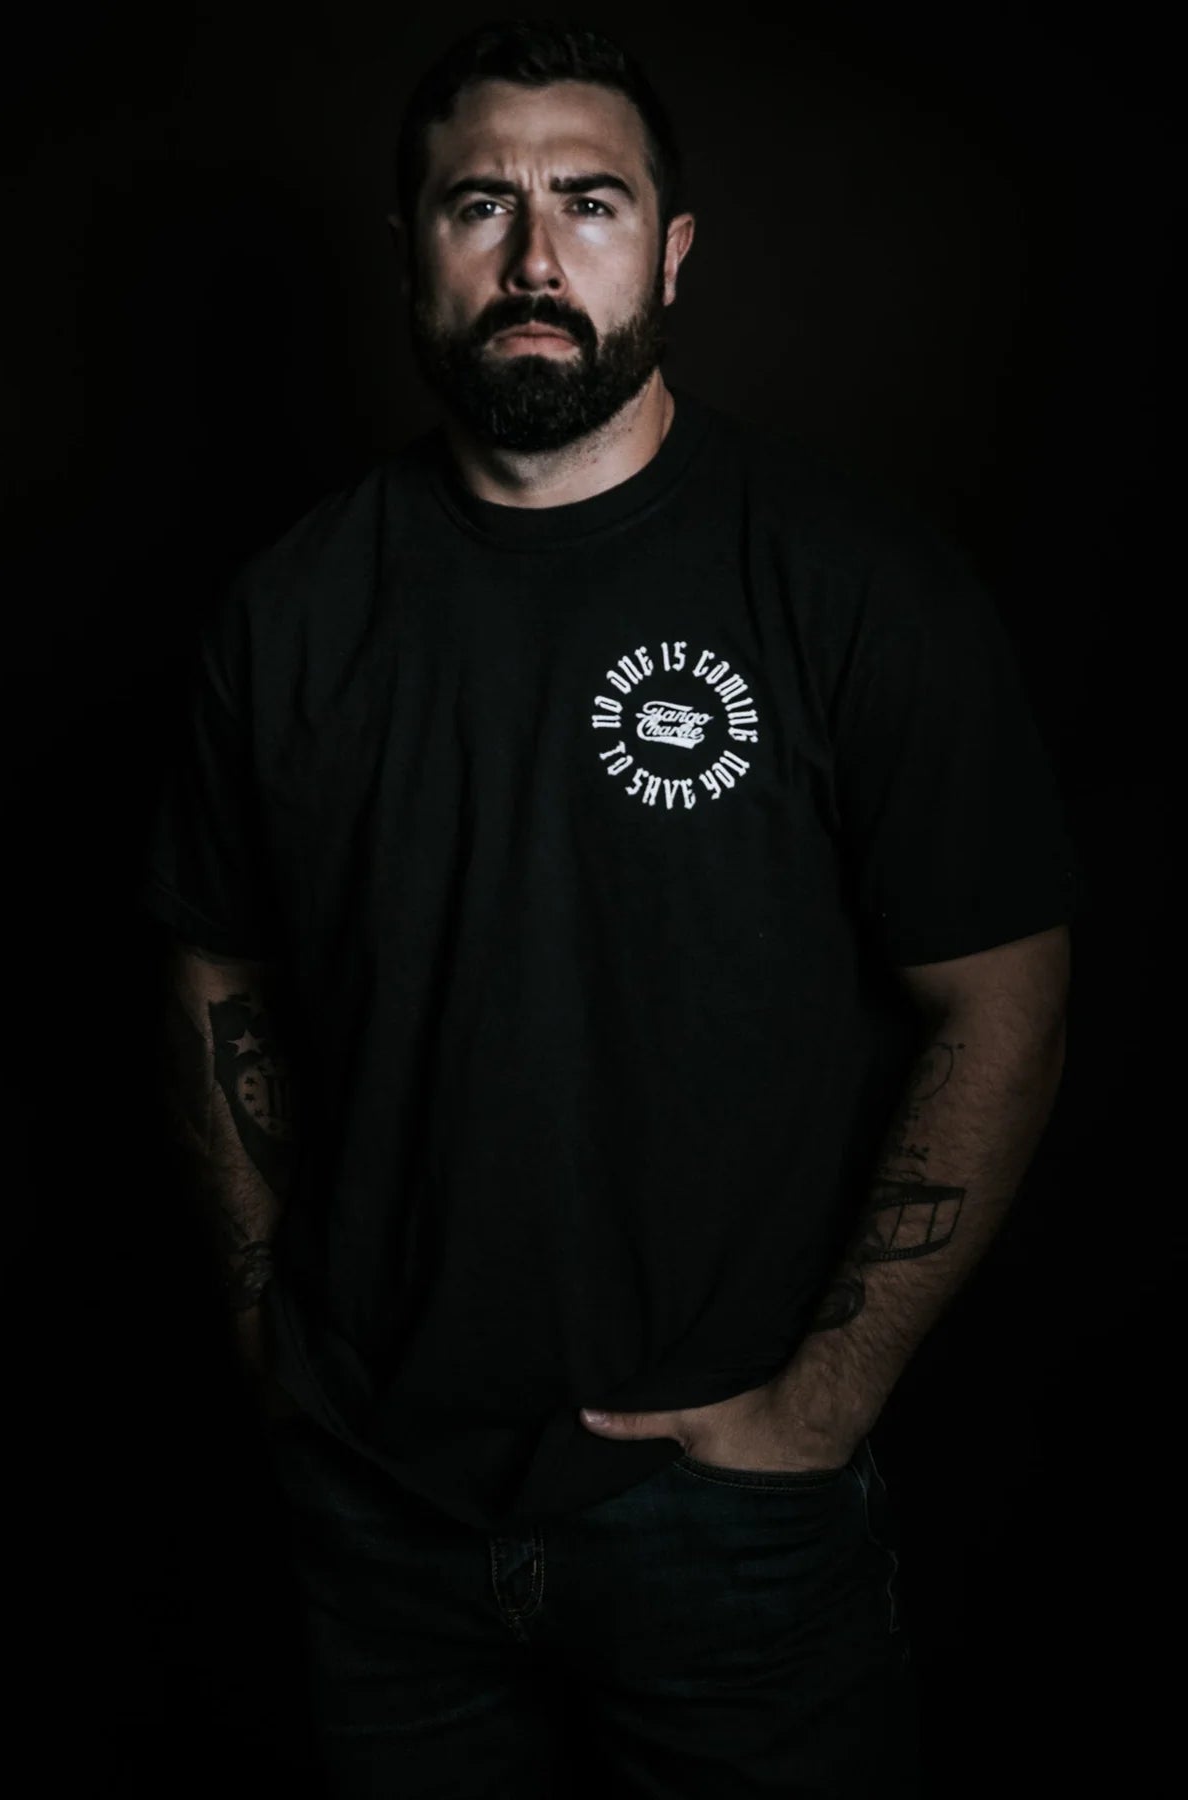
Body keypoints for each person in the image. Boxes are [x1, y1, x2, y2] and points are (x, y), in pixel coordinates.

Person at [141, 19, 1079, 1798]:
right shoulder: (291, 614)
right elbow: (214, 966)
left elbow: (1004, 993)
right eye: (477, 205)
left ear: (673, 248)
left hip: (729, 1523)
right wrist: (275, 1339)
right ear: (411, 250)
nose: (534, 257)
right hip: (380, 1514)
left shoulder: (848, 584)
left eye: (589, 202)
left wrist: (820, 1406)